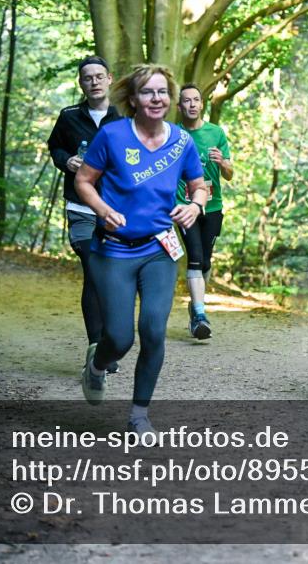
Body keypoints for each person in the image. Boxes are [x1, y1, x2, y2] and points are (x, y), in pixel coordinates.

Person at [74, 64, 207, 434]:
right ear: (133, 99)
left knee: (152, 330)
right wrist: (102, 209)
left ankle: (139, 414)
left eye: (163, 91)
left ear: (171, 98)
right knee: (119, 337)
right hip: (112, 250)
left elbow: (200, 185)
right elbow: (83, 180)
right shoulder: (112, 135)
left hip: (158, 250)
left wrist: (194, 205)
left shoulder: (182, 141)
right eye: (147, 92)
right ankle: (97, 365)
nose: (156, 98)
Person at [47, 55, 122, 372]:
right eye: (87, 77)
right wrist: (67, 161)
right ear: (81, 83)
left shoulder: (124, 121)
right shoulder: (68, 117)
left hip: (114, 212)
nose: (93, 82)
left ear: (110, 79)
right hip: (80, 207)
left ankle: (108, 345)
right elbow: (55, 147)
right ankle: (97, 350)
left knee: (110, 277)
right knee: (94, 272)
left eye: (99, 76)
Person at [175, 83, 233, 340]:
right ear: (179, 106)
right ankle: (199, 314)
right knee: (195, 258)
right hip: (185, 207)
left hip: (213, 206)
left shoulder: (216, 133)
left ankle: (195, 303)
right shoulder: (172, 134)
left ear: (201, 104)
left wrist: (222, 162)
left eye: (196, 100)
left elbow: (230, 174)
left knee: (206, 261)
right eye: (186, 101)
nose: (191, 104)